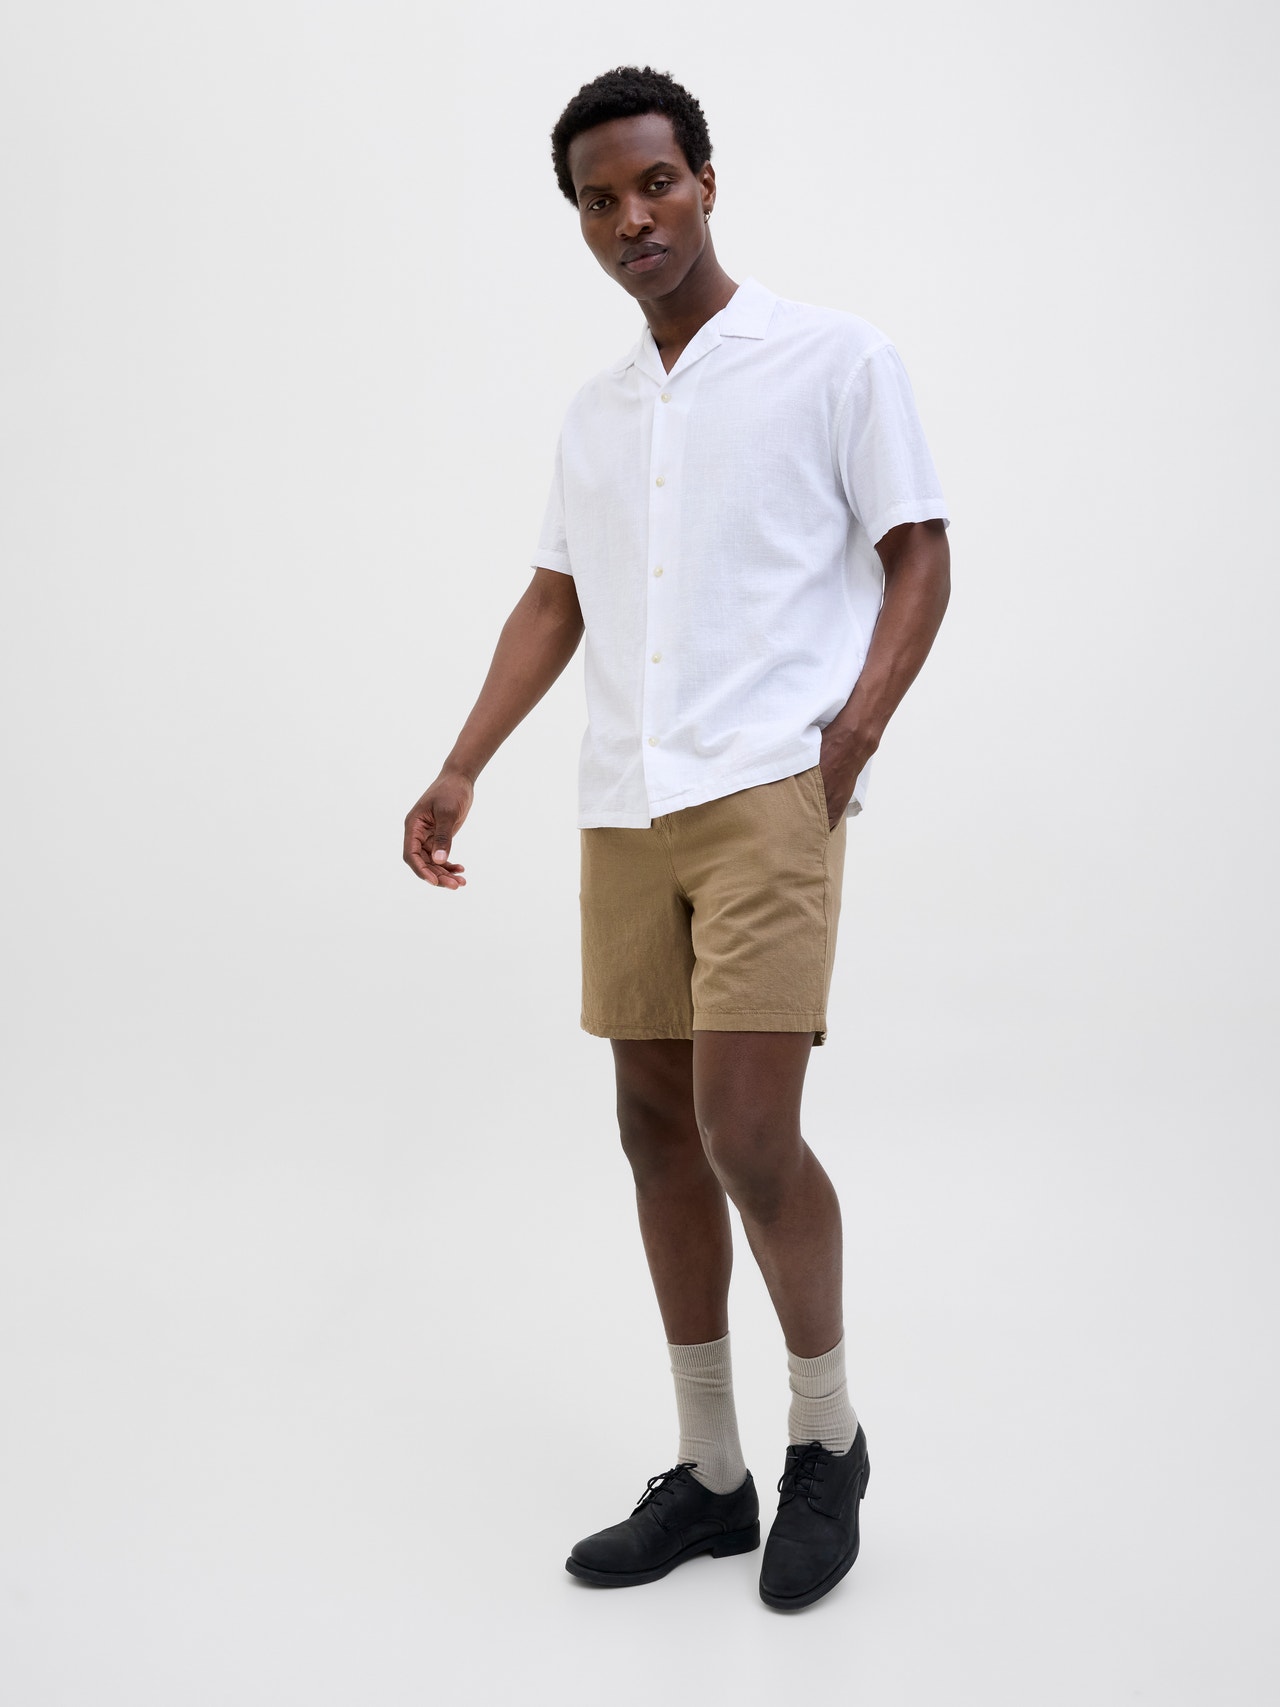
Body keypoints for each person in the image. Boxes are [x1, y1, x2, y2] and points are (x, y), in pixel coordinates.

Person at [403, 65, 951, 1611]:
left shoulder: (834, 357)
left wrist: (850, 740)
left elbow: (920, 553)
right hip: (623, 803)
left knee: (747, 1134)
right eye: (599, 200)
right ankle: (713, 1475)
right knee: (654, 1131)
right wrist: (461, 765)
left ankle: (826, 1442)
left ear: (707, 180)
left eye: (655, 183)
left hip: (771, 789)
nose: (631, 218)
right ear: (580, 222)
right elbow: (556, 598)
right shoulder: (597, 414)